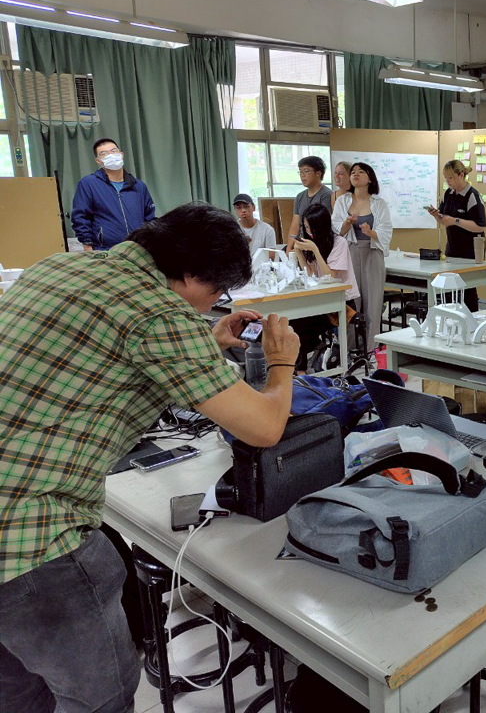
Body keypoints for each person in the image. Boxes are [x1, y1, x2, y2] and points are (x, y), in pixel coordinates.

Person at [0, 203, 300, 713]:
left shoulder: (59, 266)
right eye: (215, 294)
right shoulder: (161, 315)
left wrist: (206, 342)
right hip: (31, 541)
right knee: (100, 699)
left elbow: (98, 356)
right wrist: (281, 362)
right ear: (191, 276)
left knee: (18, 691)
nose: (212, 305)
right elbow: (266, 427)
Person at [291, 204, 361, 372]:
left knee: (300, 325)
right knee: (293, 321)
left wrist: (315, 250)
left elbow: (330, 276)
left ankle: (304, 366)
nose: (308, 231)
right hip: (320, 300)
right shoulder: (312, 241)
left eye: (311, 227)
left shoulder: (339, 243)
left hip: (341, 303)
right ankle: (311, 355)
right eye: (306, 227)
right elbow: (310, 275)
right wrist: (299, 252)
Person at [331, 162, 393, 350]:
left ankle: (372, 349)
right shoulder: (342, 201)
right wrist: (347, 224)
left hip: (372, 254)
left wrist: (370, 232)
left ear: (370, 178)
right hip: (348, 254)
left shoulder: (379, 203)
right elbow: (335, 229)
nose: (355, 174)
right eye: (353, 172)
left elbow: (386, 231)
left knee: (373, 303)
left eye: (360, 172)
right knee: (350, 303)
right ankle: (349, 350)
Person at [71, 137, 156, 251]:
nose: (110, 155)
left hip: (138, 248)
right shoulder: (88, 184)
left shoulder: (139, 186)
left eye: (113, 151)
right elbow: (81, 217)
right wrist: (88, 247)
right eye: (104, 154)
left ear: (121, 154)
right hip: (105, 250)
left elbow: (149, 218)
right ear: (98, 161)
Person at [428, 159, 486, 311]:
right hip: (452, 248)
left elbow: (480, 225)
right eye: (446, 178)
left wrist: (456, 220)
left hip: (470, 250)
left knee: (467, 289)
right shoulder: (448, 194)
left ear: (461, 175)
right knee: (450, 287)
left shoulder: (472, 195)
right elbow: (445, 220)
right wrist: (436, 216)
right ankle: (452, 317)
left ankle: (472, 317)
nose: (448, 181)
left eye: (451, 177)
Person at [286, 155, 332, 253]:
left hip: (319, 245)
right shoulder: (299, 197)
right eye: (300, 172)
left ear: (318, 173)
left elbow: (325, 226)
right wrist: (289, 248)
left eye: (306, 171)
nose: (302, 175)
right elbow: (295, 226)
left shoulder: (326, 195)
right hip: (301, 244)